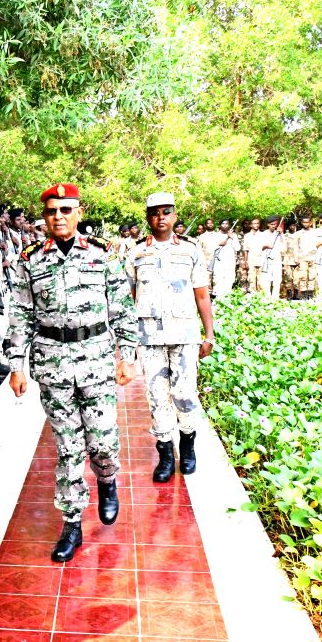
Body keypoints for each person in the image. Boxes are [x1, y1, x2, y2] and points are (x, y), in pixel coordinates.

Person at [7, 183, 137, 563]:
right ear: (44, 217)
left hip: (96, 359)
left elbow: (123, 310)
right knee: (68, 448)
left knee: (102, 442)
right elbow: (21, 316)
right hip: (53, 363)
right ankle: (72, 521)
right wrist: (17, 365)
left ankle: (108, 479)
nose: (58, 217)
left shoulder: (102, 254)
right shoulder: (29, 259)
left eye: (65, 210)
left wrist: (126, 356)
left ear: (78, 213)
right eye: (51, 211)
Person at [125, 192, 214, 484]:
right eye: (154, 213)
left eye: (166, 212)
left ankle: (188, 447)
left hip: (185, 335)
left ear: (174, 216)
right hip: (149, 337)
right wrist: (130, 339)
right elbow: (130, 297)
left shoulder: (190, 251)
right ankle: (165, 454)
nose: (160, 218)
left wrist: (209, 334)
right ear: (148, 217)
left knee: (185, 394)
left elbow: (202, 294)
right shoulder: (136, 253)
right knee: (157, 397)